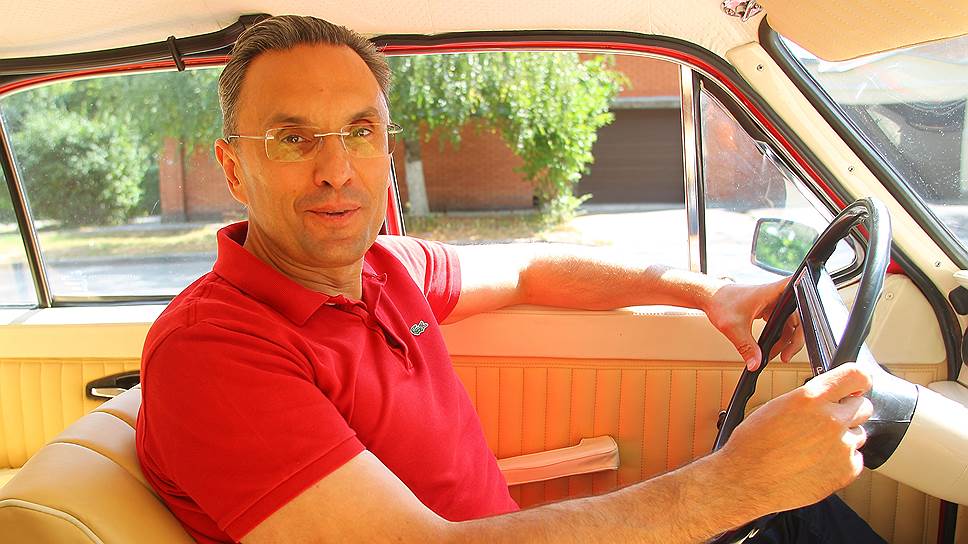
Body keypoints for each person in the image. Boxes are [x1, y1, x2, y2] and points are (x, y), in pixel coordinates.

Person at [135, 15, 884, 544]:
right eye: (292, 139)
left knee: (800, 520)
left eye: (360, 131)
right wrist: (730, 485)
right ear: (234, 167)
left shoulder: (387, 268)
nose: (336, 169)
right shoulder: (213, 353)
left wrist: (704, 291)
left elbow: (530, 270)